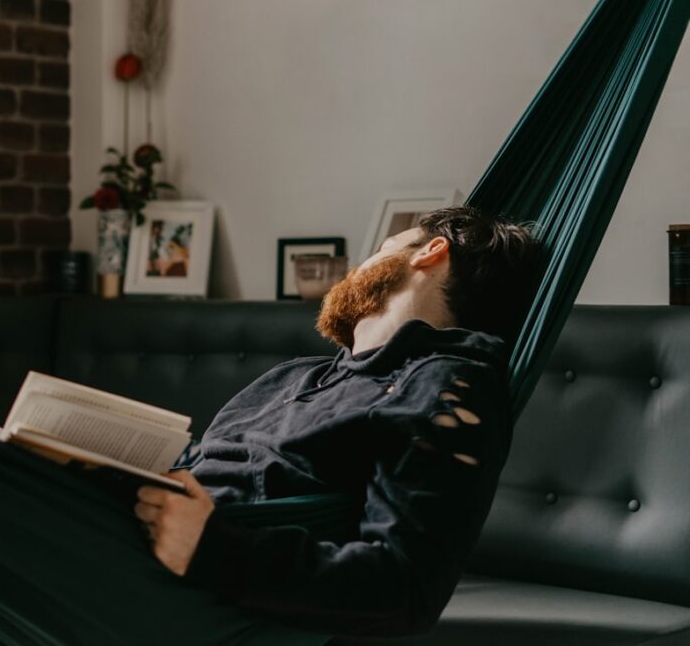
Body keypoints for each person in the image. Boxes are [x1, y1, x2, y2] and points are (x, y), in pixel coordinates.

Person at [132, 205, 544, 639]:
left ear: (430, 253)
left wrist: (214, 550)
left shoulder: (445, 383)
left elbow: (406, 591)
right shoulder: (295, 376)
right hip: (134, 533)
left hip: (188, 594)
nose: (358, 266)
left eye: (384, 248)